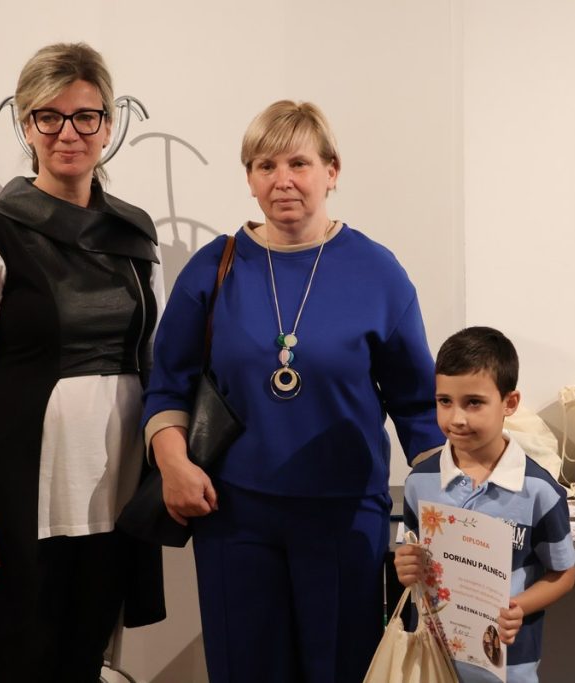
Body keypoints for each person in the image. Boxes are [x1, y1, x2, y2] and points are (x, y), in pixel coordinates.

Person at [142, 100, 442, 682]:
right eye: (265, 165)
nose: (282, 180)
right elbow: (167, 386)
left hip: (344, 518)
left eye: (298, 163)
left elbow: (417, 406)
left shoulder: (377, 273)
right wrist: (173, 464)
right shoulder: (214, 268)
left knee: (342, 670)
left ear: (332, 171)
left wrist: (451, 509)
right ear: (250, 178)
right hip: (233, 517)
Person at [0, 43, 165, 681]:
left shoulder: (135, 235)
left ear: (108, 125)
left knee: (84, 663)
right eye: (49, 116)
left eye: (85, 116)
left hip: (116, 490)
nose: (69, 133)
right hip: (24, 498)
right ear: (26, 125)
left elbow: (154, 359)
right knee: (23, 665)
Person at [395, 326, 575, 683]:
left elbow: (563, 573)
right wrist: (406, 566)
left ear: (509, 403)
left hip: (507, 668)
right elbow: (412, 553)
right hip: (432, 661)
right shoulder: (419, 482)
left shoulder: (539, 490)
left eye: (473, 402)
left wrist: (518, 607)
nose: (456, 418)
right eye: (444, 401)